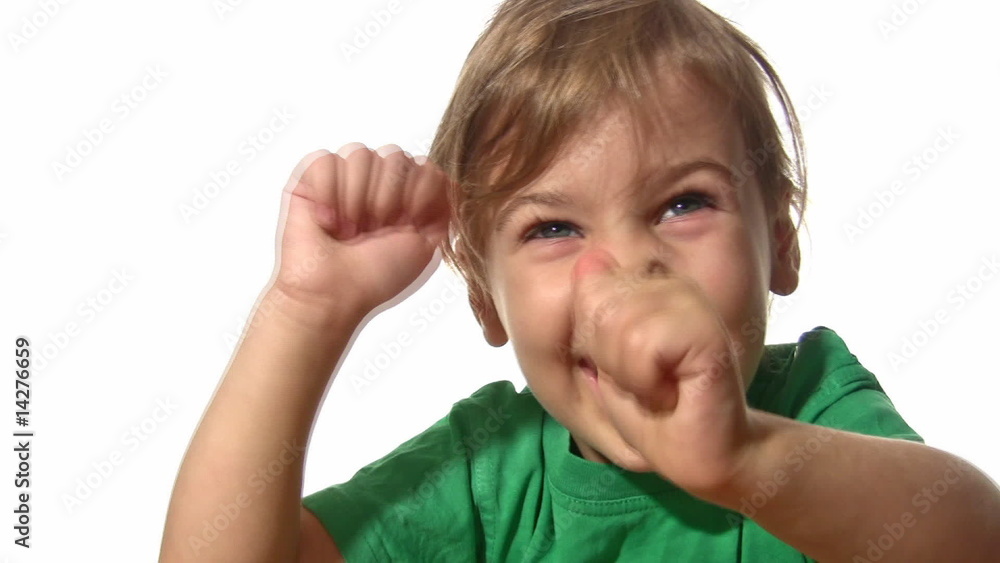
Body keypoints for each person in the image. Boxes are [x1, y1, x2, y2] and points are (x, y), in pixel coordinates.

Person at [159, 0, 1000, 561]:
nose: (629, 267)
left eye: (683, 203)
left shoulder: (814, 402)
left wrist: (745, 457)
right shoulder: (490, 470)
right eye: (553, 227)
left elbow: (971, 534)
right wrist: (306, 313)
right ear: (486, 297)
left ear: (777, 236)